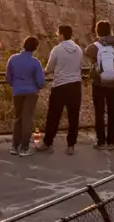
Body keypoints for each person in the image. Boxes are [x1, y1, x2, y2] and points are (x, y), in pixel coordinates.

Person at [38, 25, 82, 154]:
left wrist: (43, 72)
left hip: (60, 86)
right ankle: (71, 145)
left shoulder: (57, 50)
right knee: (73, 116)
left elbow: (49, 68)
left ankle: (48, 142)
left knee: (53, 116)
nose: (57, 36)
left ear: (62, 35)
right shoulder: (78, 49)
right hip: (75, 85)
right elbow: (79, 66)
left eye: (58, 34)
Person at [85, 21, 114, 151]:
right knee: (112, 112)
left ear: (97, 31)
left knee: (99, 112)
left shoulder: (95, 46)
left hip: (99, 83)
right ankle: (111, 142)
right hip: (113, 82)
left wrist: (98, 42)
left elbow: (87, 52)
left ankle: (100, 141)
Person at [6, 36, 45, 156]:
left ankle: (14, 146)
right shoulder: (35, 62)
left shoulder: (13, 59)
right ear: (35, 48)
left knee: (18, 118)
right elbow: (41, 81)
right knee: (27, 120)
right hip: (31, 93)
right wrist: (37, 87)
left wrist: (16, 85)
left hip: (17, 91)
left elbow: (8, 77)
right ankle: (24, 148)